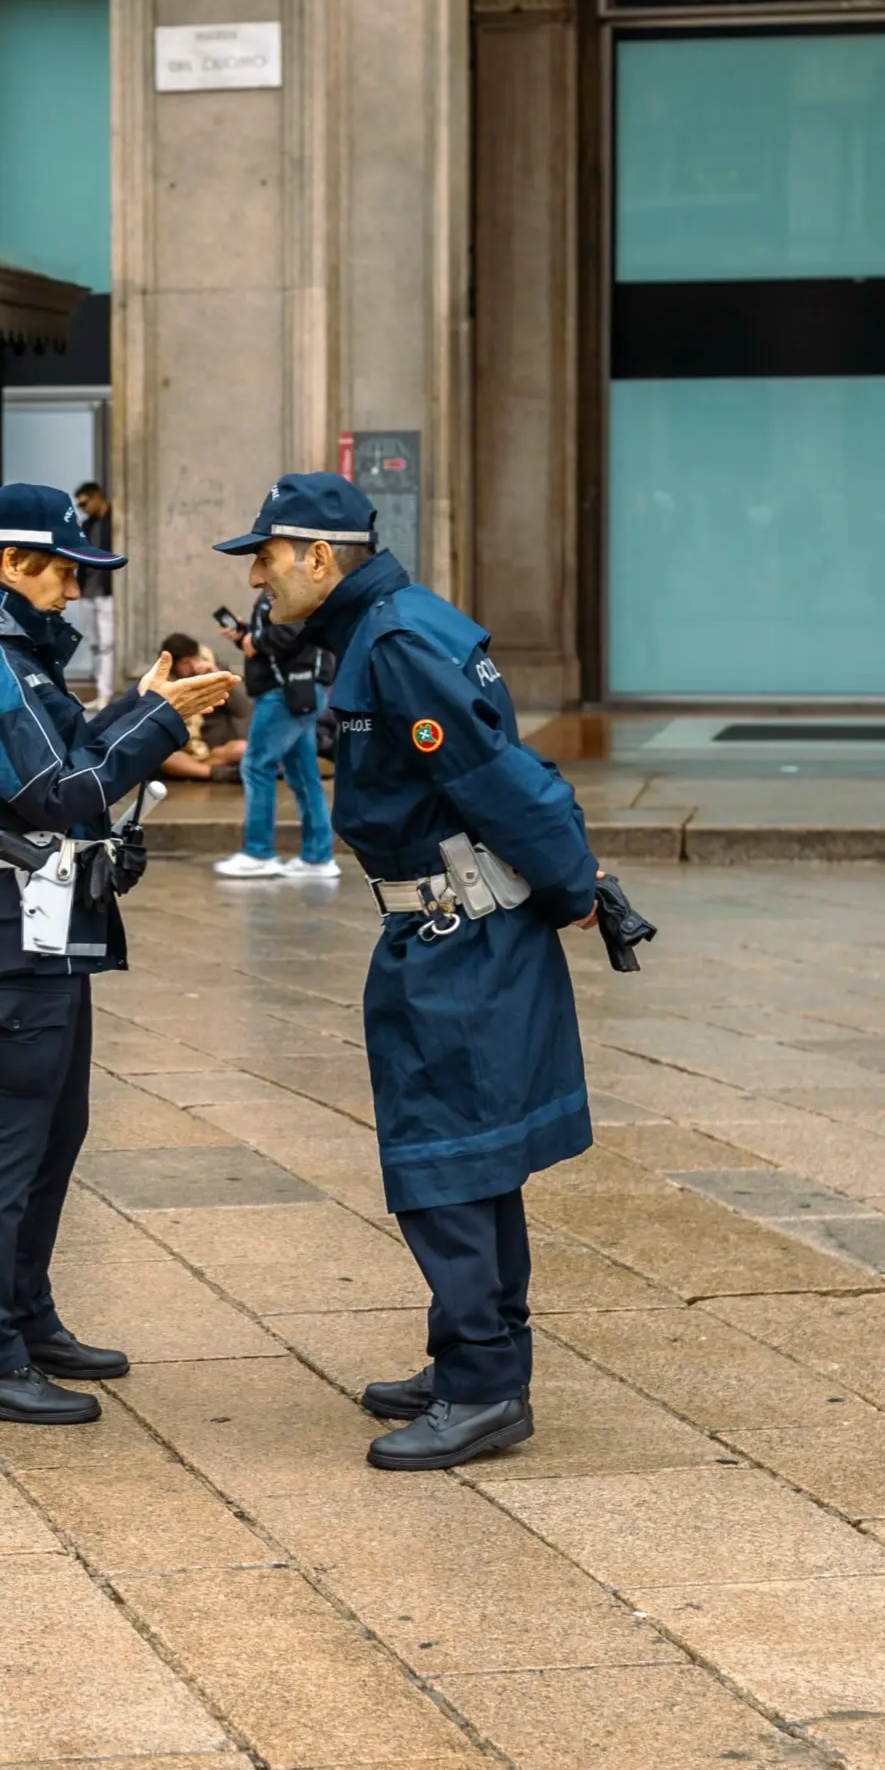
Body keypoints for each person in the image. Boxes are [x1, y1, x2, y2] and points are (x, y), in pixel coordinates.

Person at [214, 472, 600, 1471]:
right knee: (472, 1156)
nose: (255, 574)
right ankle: (473, 1357)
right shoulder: (379, 626)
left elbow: (496, 778)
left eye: (266, 555)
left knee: (446, 1163)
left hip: (458, 935)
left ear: (317, 555)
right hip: (438, 931)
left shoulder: (395, 641)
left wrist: (575, 887)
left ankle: (483, 1389)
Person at [0, 484, 235, 1426]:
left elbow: (71, 746)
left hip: (53, 913)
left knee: (57, 1130)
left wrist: (143, 704)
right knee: (9, 1145)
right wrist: (160, 725)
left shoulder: (13, 653)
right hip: (16, 913)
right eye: (62, 570)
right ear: (8, 563)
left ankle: (27, 1317)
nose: (74, 588)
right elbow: (55, 790)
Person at [215, 593, 339, 883]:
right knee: (303, 773)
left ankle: (258, 854)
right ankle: (318, 857)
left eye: (263, 558)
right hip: (296, 690)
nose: (255, 576)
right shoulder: (286, 588)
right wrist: (246, 636)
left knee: (256, 765)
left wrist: (255, 640)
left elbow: (295, 631)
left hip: (285, 691)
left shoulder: (290, 588)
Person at [154, 631, 249, 780]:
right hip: (183, 750)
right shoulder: (160, 684)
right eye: (186, 663)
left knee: (243, 748)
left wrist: (220, 678)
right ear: (173, 665)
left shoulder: (213, 670)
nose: (192, 667)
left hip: (217, 749)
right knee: (163, 756)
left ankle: (194, 771)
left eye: (194, 660)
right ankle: (215, 773)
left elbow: (244, 709)